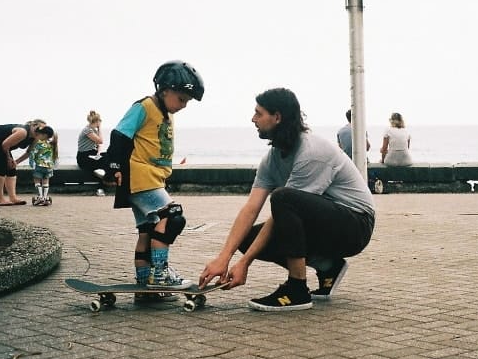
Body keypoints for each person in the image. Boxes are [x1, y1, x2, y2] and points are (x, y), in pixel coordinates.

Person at [199, 87, 375, 312]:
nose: (253, 119)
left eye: (258, 113)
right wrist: (223, 258)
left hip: (356, 225)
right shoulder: (272, 160)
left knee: (283, 198)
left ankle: (297, 289)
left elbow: (285, 209)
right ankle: (328, 266)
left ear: (277, 117)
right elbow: (250, 208)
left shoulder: (312, 152)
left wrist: (244, 264)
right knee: (246, 239)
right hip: (325, 223)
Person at [103, 60, 205, 302]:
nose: (184, 105)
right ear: (165, 89)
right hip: (141, 176)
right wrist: (114, 167)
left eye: (187, 101)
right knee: (173, 217)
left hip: (150, 178)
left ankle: (145, 283)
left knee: (148, 230)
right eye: (181, 99)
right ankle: (160, 276)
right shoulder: (145, 106)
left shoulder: (165, 113)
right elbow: (119, 134)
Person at [0, 119, 48, 206]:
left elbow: (29, 152)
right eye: (38, 128)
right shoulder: (23, 132)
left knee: (11, 170)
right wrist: (8, 159)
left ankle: (13, 198)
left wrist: (16, 162)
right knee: (1, 170)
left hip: (2, 146)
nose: (39, 131)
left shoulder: (36, 137)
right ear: (32, 125)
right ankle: (0, 200)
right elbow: (5, 145)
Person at [28, 126, 58, 206]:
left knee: (37, 181)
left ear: (44, 135)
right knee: (46, 181)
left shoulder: (38, 144)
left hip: (39, 165)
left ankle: (40, 197)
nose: (38, 136)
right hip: (49, 166)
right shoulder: (52, 144)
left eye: (39, 134)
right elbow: (54, 156)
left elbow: (32, 153)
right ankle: (45, 198)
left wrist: (31, 163)